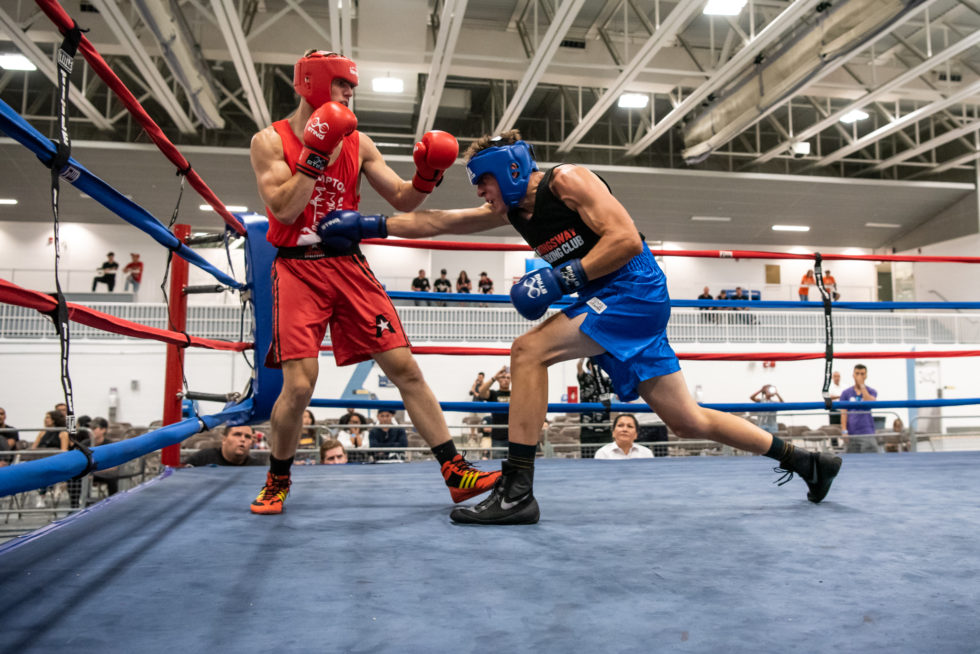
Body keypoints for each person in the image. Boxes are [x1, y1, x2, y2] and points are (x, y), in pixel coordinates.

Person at [317, 129, 843, 525]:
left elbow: (627, 241)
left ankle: (518, 491)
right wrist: (368, 226)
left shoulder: (569, 180)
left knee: (528, 352)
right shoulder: (513, 209)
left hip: (632, 291)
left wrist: (562, 276)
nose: (481, 192)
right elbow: (439, 221)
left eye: (485, 180)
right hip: (611, 297)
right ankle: (806, 461)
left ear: (512, 168)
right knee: (685, 419)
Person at [246, 49, 499, 513]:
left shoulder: (358, 143)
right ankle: (277, 479)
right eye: (342, 84)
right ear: (315, 84)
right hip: (297, 267)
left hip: (347, 264)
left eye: (350, 85)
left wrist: (428, 174)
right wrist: (315, 155)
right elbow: (282, 210)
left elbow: (404, 200)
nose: (349, 92)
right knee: (299, 386)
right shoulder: (269, 140)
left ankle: (455, 470)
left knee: (405, 368)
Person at [576, 357, 611, 458]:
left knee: (606, 456)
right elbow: (579, 367)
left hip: (604, 427)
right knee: (587, 456)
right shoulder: (584, 378)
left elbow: (618, 392)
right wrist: (584, 355)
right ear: (589, 366)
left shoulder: (606, 381)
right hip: (588, 426)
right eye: (593, 364)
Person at [840, 364, 878, 453]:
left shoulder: (871, 391)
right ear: (853, 375)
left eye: (862, 374)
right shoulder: (846, 393)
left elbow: (869, 403)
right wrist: (844, 430)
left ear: (866, 375)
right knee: (853, 461)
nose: (859, 376)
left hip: (867, 432)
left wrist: (862, 386)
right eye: (857, 373)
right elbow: (843, 413)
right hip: (851, 432)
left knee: (871, 459)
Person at [184, 425, 263, 467]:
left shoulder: (257, 467)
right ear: (224, 439)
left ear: (252, 442)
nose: (243, 439)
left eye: (247, 437)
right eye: (237, 434)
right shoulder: (201, 460)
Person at [477, 366, 511, 459]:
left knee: (515, 466)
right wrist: (494, 377)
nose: (506, 380)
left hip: (513, 437)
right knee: (498, 465)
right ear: (499, 380)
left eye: (508, 378)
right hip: (497, 437)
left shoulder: (515, 394)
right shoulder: (493, 394)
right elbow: (481, 392)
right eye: (503, 377)